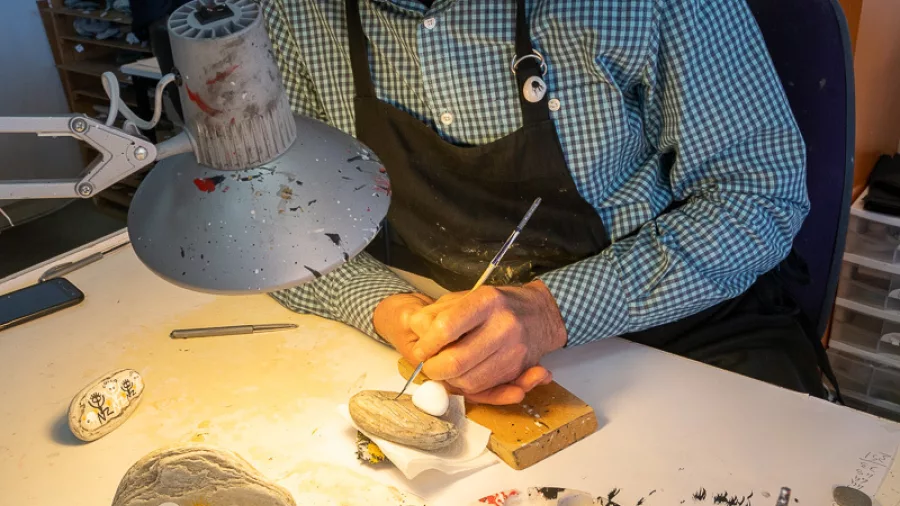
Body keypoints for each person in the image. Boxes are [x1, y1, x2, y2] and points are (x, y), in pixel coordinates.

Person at [264, 0, 834, 404]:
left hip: (680, 326)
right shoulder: (289, 10)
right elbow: (273, 221)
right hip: (450, 336)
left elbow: (758, 197)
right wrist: (395, 311)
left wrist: (551, 311)